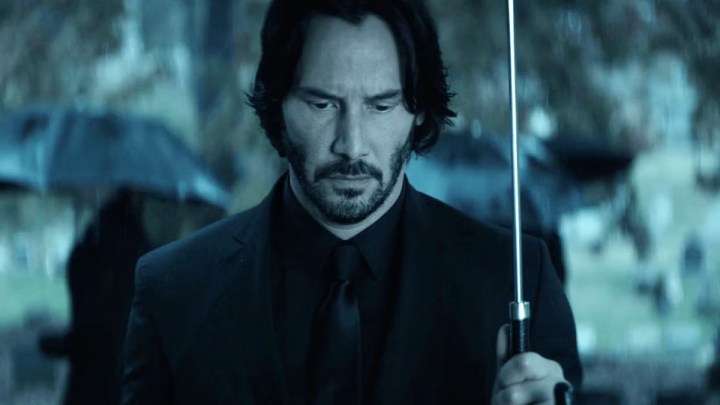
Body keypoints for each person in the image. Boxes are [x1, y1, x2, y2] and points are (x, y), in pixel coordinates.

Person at [121, 0, 582, 403]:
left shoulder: (517, 281)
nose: (352, 145)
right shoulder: (173, 291)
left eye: (381, 106)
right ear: (278, 104)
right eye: (322, 104)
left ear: (419, 110)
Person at [40, 190, 152, 404]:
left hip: (93, 382)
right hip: (126, 383)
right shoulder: (145, 255)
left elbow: (91, 329)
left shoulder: (91, 251)